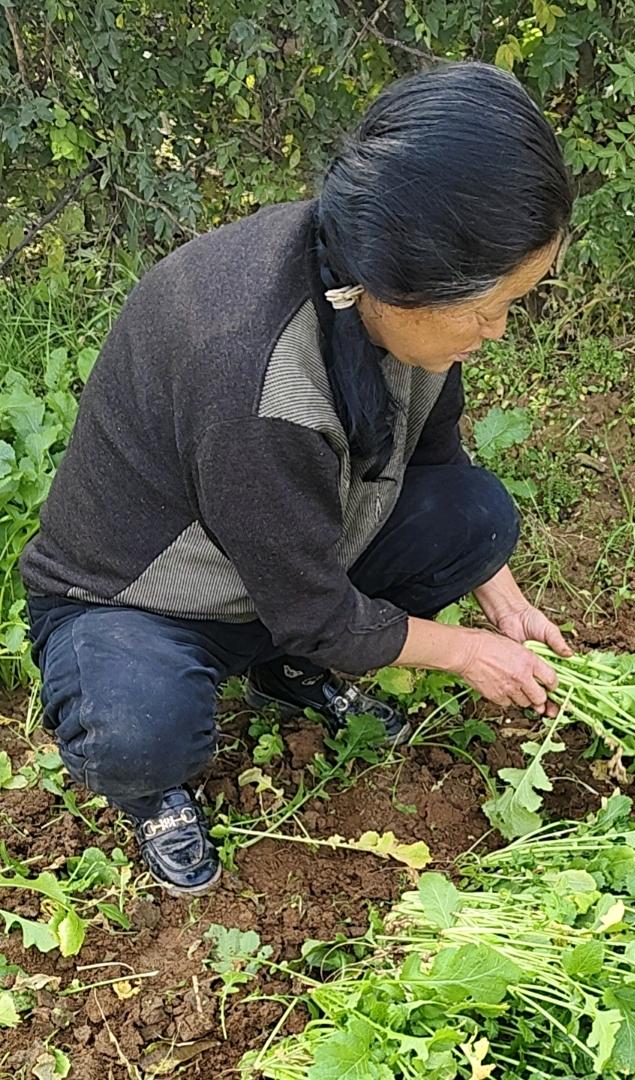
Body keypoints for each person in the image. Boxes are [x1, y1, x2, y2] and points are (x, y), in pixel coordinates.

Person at [20, 62, 575, 897]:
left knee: (475, 518)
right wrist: (464, 652)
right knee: (143, 728)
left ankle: (279, 669)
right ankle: (149, 790)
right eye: (487, 307)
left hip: (271, 563)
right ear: (402, 279)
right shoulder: (252, 372)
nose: (496, 331)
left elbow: (434, 458)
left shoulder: (381, 289)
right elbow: (315, 612)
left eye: (511, 303)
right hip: (142, 600)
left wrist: (501, 596)